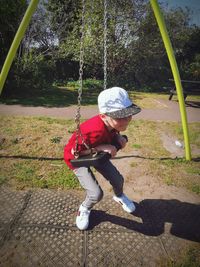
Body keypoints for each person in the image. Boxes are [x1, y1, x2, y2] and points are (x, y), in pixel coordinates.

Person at [64, 87, 141, 230]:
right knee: (96, 193)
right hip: (78, 157)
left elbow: (113, 129)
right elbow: (76, 153)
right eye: (121, 116)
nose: (127, 119)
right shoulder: (92, 129)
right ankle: (84, 208)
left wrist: (117, 136)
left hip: (96, 155)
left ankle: (119, 196)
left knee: (118, 180)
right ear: (104, 116)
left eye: (129, 114)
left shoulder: (111, 122)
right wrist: (99, 148)